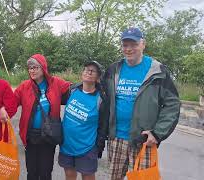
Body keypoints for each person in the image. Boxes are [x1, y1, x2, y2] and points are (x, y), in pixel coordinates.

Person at [103, 27, 181, 180]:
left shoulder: (157, 71)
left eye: (134, 44)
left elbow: (173, 105)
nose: (129, 49)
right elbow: (103, 97)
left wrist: (158, 133)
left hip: (143, 141)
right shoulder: (114, 69)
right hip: (116, 138)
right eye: (125, 45)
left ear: (143, 44)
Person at [1, 54, 70, 180]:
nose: (32, 70)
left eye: (35, 67)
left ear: (43, 68)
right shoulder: (24, 86)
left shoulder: (56, 83)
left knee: (45, 172)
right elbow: (11, 104)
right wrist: (2, 109)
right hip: (31, 135)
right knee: (32, 172)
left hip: (49, 134)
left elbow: (73, 91)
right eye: (30, 68)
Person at [58, 61, 108, 180]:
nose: (88, 72)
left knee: (87, 176)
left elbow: (103, 126)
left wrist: (99, 147)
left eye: (92, 71)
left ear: (98, 77)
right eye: (86, 69)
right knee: (69, 175)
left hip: (87, 147)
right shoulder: (72, 90)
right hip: (67, 144)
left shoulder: (101, 99)